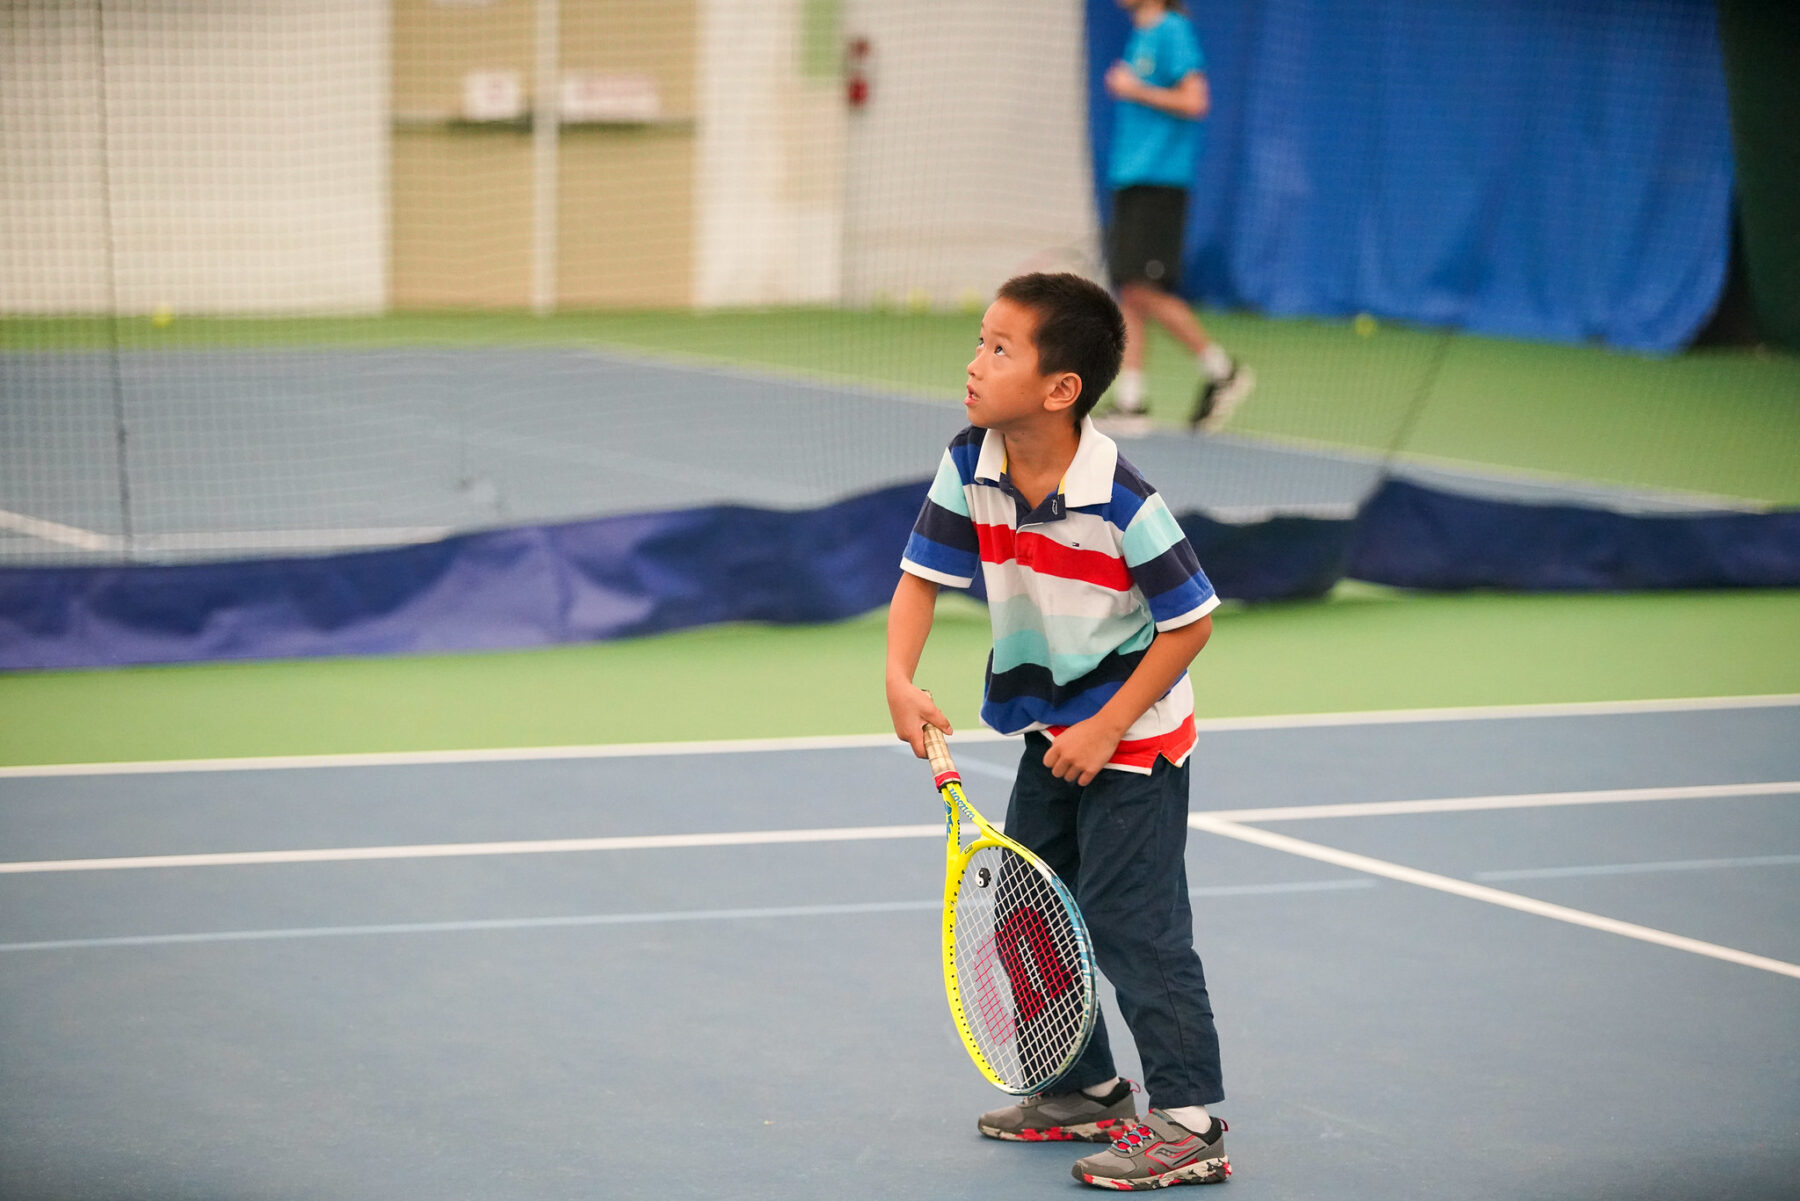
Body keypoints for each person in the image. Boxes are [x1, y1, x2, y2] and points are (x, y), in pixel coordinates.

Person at [886, 272, 1231, 1189]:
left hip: (1139, 738)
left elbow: (1191, 620)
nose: (974, 362)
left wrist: (1109, 723)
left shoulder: (1121, 496)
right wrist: (898, 677)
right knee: (1028, 908)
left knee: (1133, 921)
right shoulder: (971, 464)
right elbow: (923, 575)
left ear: (1060, 388)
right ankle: (1086, 1086)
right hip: (1054, 728)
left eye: (1000, 348)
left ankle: (1191, 1120)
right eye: (979, 340)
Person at [1099, 0, 1251, 432]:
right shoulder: (1141, 34)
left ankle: (1222, 370)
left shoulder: (1172, 30)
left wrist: (1134, 90)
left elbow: (1195, 100)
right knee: (1130, 291)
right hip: (1130, 177)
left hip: (1160, 181)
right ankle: (1132, 401)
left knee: (1142, 291)